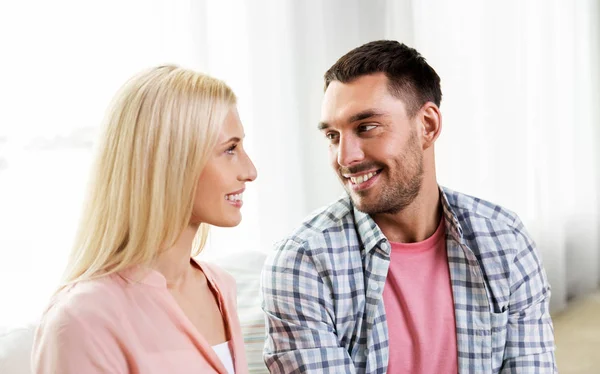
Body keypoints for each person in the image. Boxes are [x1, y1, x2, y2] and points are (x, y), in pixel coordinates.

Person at [261, 40, 556, 373]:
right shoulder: (303, 262)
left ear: (427, 125)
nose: (345, 157)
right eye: (332, 135)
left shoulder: (505, 240)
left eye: (366, 127)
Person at [32, 65, 257, 374]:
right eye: (230, 149)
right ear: (172, 161)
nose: (250, 171)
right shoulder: (82, 319)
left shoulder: (221, 286)